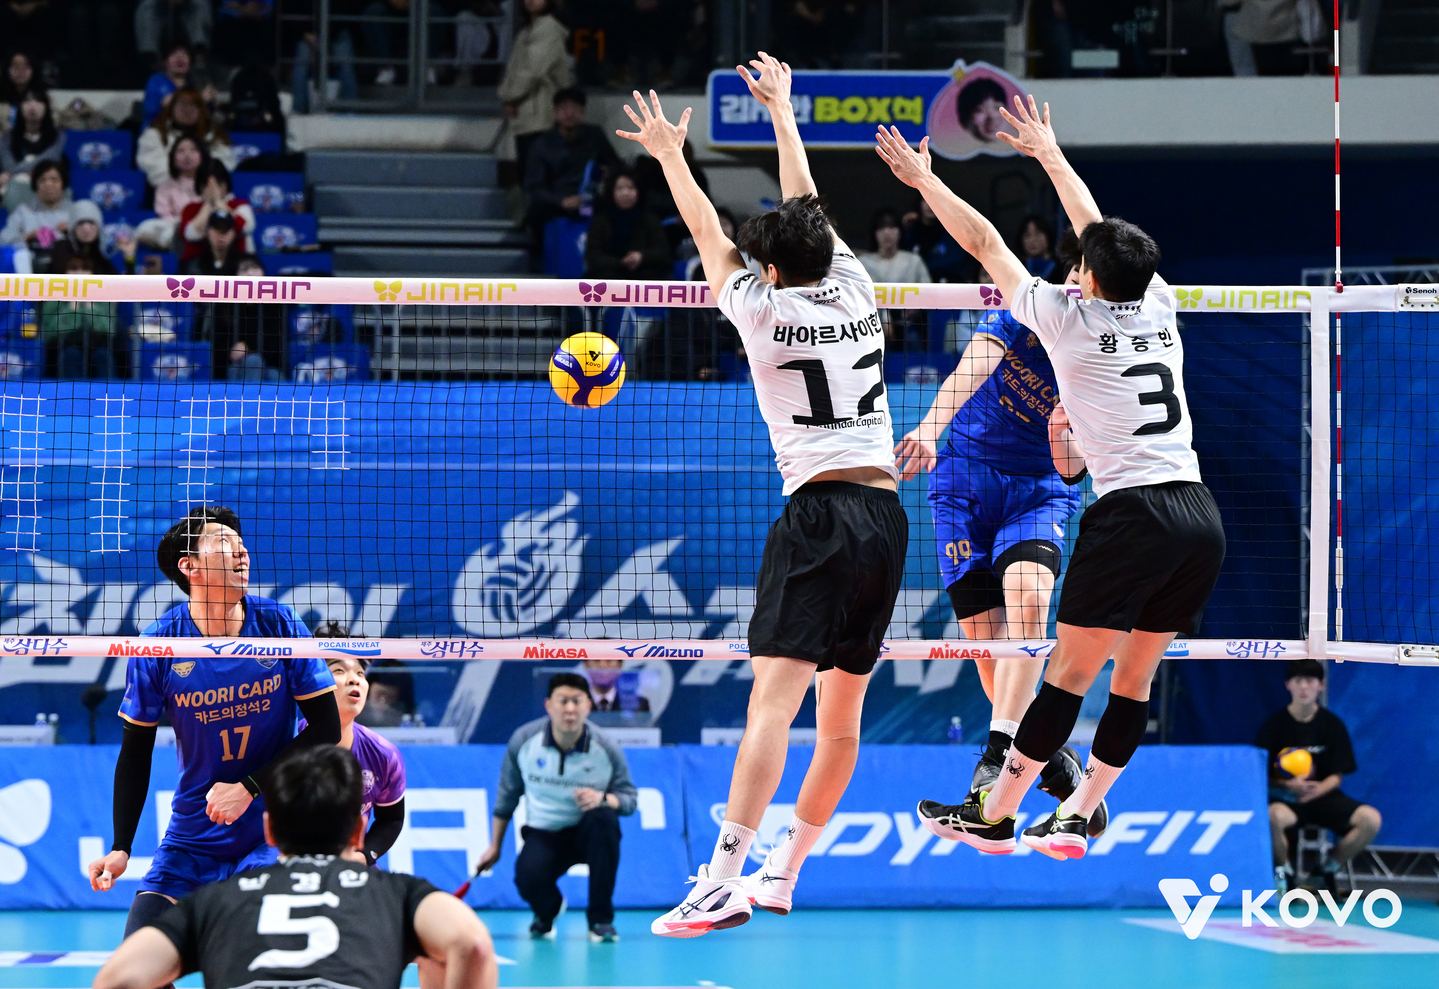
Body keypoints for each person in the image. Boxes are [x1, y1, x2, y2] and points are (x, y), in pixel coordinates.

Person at [876, 95, 1225, 858]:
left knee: (1063, 676)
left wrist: (925, 184)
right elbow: (1098, 230)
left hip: (1130, 512)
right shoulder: (1159, 303)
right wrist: (1048, 153)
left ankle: (996, 810)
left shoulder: (1061, 315)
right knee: (1129, 682)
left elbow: (984, 242)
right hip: (1200, 515)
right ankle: (1076, 814)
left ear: (1089, 280)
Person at [618, 53, 907, 936]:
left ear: (771, 272)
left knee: (771, 705)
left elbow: (709, 233)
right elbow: (807, 202)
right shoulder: (856, 282)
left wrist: (672, 155)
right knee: (843, 717)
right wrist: (783, 111)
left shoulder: (760, 310)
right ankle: (786, 871)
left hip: (818, 513)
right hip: (887, 515)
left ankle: (723, 873)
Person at [892, 250, 1106, 838]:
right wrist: (929, 432)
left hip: (1039, 489)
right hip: (961, 477)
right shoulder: (1026, 311)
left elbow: (1072, 470)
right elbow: (969, 370)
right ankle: (1047, 755)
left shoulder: (1101, 357)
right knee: (989, 648)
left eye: (1087, 284)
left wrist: (1067, 436)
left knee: (1029, 594)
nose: (1075, 291)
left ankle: (997, 757)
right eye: (1071, 277)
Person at [85, 506, 342, 963]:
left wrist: (249, 787)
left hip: (275, 829)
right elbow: (135, 753)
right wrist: (121, 846)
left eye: (239, 540)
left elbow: (326, 727)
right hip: (193, 836)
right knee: (138, 963)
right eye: (223, 541)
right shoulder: (159, 643)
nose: (241, 548)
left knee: (250, 958)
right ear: (189, 566)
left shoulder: (279, 624)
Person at [93, 745, 498, 989]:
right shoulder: (397, 894)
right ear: (359, 830)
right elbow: (473, 945)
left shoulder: (216, 903)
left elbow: (117, 979)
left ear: (269, 829)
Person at [475, 673, 637, 943]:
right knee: (527, 879)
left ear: (589, 705)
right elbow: (507, 797)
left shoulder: (606, 747)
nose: (570, 708)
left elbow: (629, 798)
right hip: (545, 833)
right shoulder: (524, 741)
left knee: (605, 821)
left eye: (577, 701)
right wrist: (495, 846)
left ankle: (600, 920)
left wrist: (603, 799)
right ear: (549, 705)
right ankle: (548, 910)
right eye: (563, 701)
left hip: (589, 832)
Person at [1258, 658, 1381, 894]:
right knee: (1272, 816)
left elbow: (1338, 774)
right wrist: (1286, 785)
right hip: (1287, 798)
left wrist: (1317, 790)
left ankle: (1325, 872)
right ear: (1288, 685)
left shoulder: (1332, 725)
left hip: (1323, 797)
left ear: (1321, 686)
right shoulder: (1274, 726)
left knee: (1370, 819)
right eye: (1298, 681)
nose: (1304, 686)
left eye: (1310, 681)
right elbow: (1259, 773)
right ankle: (1286, 876)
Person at [312, 643, 408, 866]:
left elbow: (391, 819)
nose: (354, 679)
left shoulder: (384, 755)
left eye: (360, 673)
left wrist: (363, 856)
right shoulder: (287, 744)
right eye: (339, 671)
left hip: (349, 867)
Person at [523, 87, 619, 262]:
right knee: (536, 212)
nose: (569, 113)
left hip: (590, 197)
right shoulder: (542, 144)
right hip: (557, 200)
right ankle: (544, 260)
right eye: (564, 108)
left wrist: (606, 172)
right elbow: (535, 185)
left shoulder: (594, 135)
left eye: (575, 108)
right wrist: (561, 201)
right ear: (555, 112)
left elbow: (615, 164)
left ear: (582, 112)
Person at [496, 0, 574, 185]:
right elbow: (514, 70)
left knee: (535, 176)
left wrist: (508, 97)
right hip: (528, 113)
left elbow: (531, 71)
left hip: (539, 115)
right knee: (527, 173)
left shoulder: (548, 29)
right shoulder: (529, 29)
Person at [137, 89, 235, 190]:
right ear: (172, 108)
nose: (187, 110)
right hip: (168, 192)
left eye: (192, 105)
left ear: (201, 110)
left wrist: (202, 185)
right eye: (182, 105)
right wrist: (183, 186)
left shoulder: (214, 134)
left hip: (207, 192)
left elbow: (224, 165)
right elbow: (154, 168)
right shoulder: (155, 134)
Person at [583, 168, 671, 280]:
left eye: (631, 188)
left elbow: (662, 252)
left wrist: (642, 257)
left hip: (644, 275)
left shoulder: (649, 219)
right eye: (619, 189)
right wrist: (620, 262)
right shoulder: (601, 220)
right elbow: (593, 256)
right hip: (609, 276)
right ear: (611, 192)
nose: (625, 193)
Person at [0, 160, 80, 262]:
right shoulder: (23, 211)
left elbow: (91, 243)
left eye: (54, 180)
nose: (48, 184)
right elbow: (3, 241)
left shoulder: (76, 211)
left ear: (63, 184)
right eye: (42, 180)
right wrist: (26, 237)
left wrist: (72, 232)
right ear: (35, 186)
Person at [139, 135, 207, 250]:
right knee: (146, 228)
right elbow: (164, 215)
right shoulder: (165, 186)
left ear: (202, 156)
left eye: (193, 150)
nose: (187, 155)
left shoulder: (211, 183)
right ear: (173, 159)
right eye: (181, 151)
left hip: (204, 227)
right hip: (175, 229)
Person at [0, 87, 64, 207]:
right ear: (19, 107)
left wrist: (13, 173)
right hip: (14, 186)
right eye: (27, 101)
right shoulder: (7, 138)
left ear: (46, 107)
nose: (32, 106)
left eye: (38, 101)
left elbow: (48, 160)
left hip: (46, 187)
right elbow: (8, 164)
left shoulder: (58, 137)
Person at [179, 160, 255, 260]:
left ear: (226, 184)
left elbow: (247, 227)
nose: (213, 190)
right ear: (200, 187)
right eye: (207, 185)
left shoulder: (240, 205)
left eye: (218, 184)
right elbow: (191, 235)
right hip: (197, 265)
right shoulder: (191, 208)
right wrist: (209, 205)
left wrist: (219, 202)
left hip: (234, 262)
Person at [142, 43, 194, 127]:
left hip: (182, 132)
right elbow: (167, 103)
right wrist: (200, 99)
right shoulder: (156, 80)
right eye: (174, 54)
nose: (180, 58)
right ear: (165, 63)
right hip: (155, 131)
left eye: (184, 54)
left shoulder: (192, 85)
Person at [1019, 214, 1056, 280]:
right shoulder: (1018, 267)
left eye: (1038, 234)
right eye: (1027, 235)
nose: (1032, 239)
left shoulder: (1062, 268)